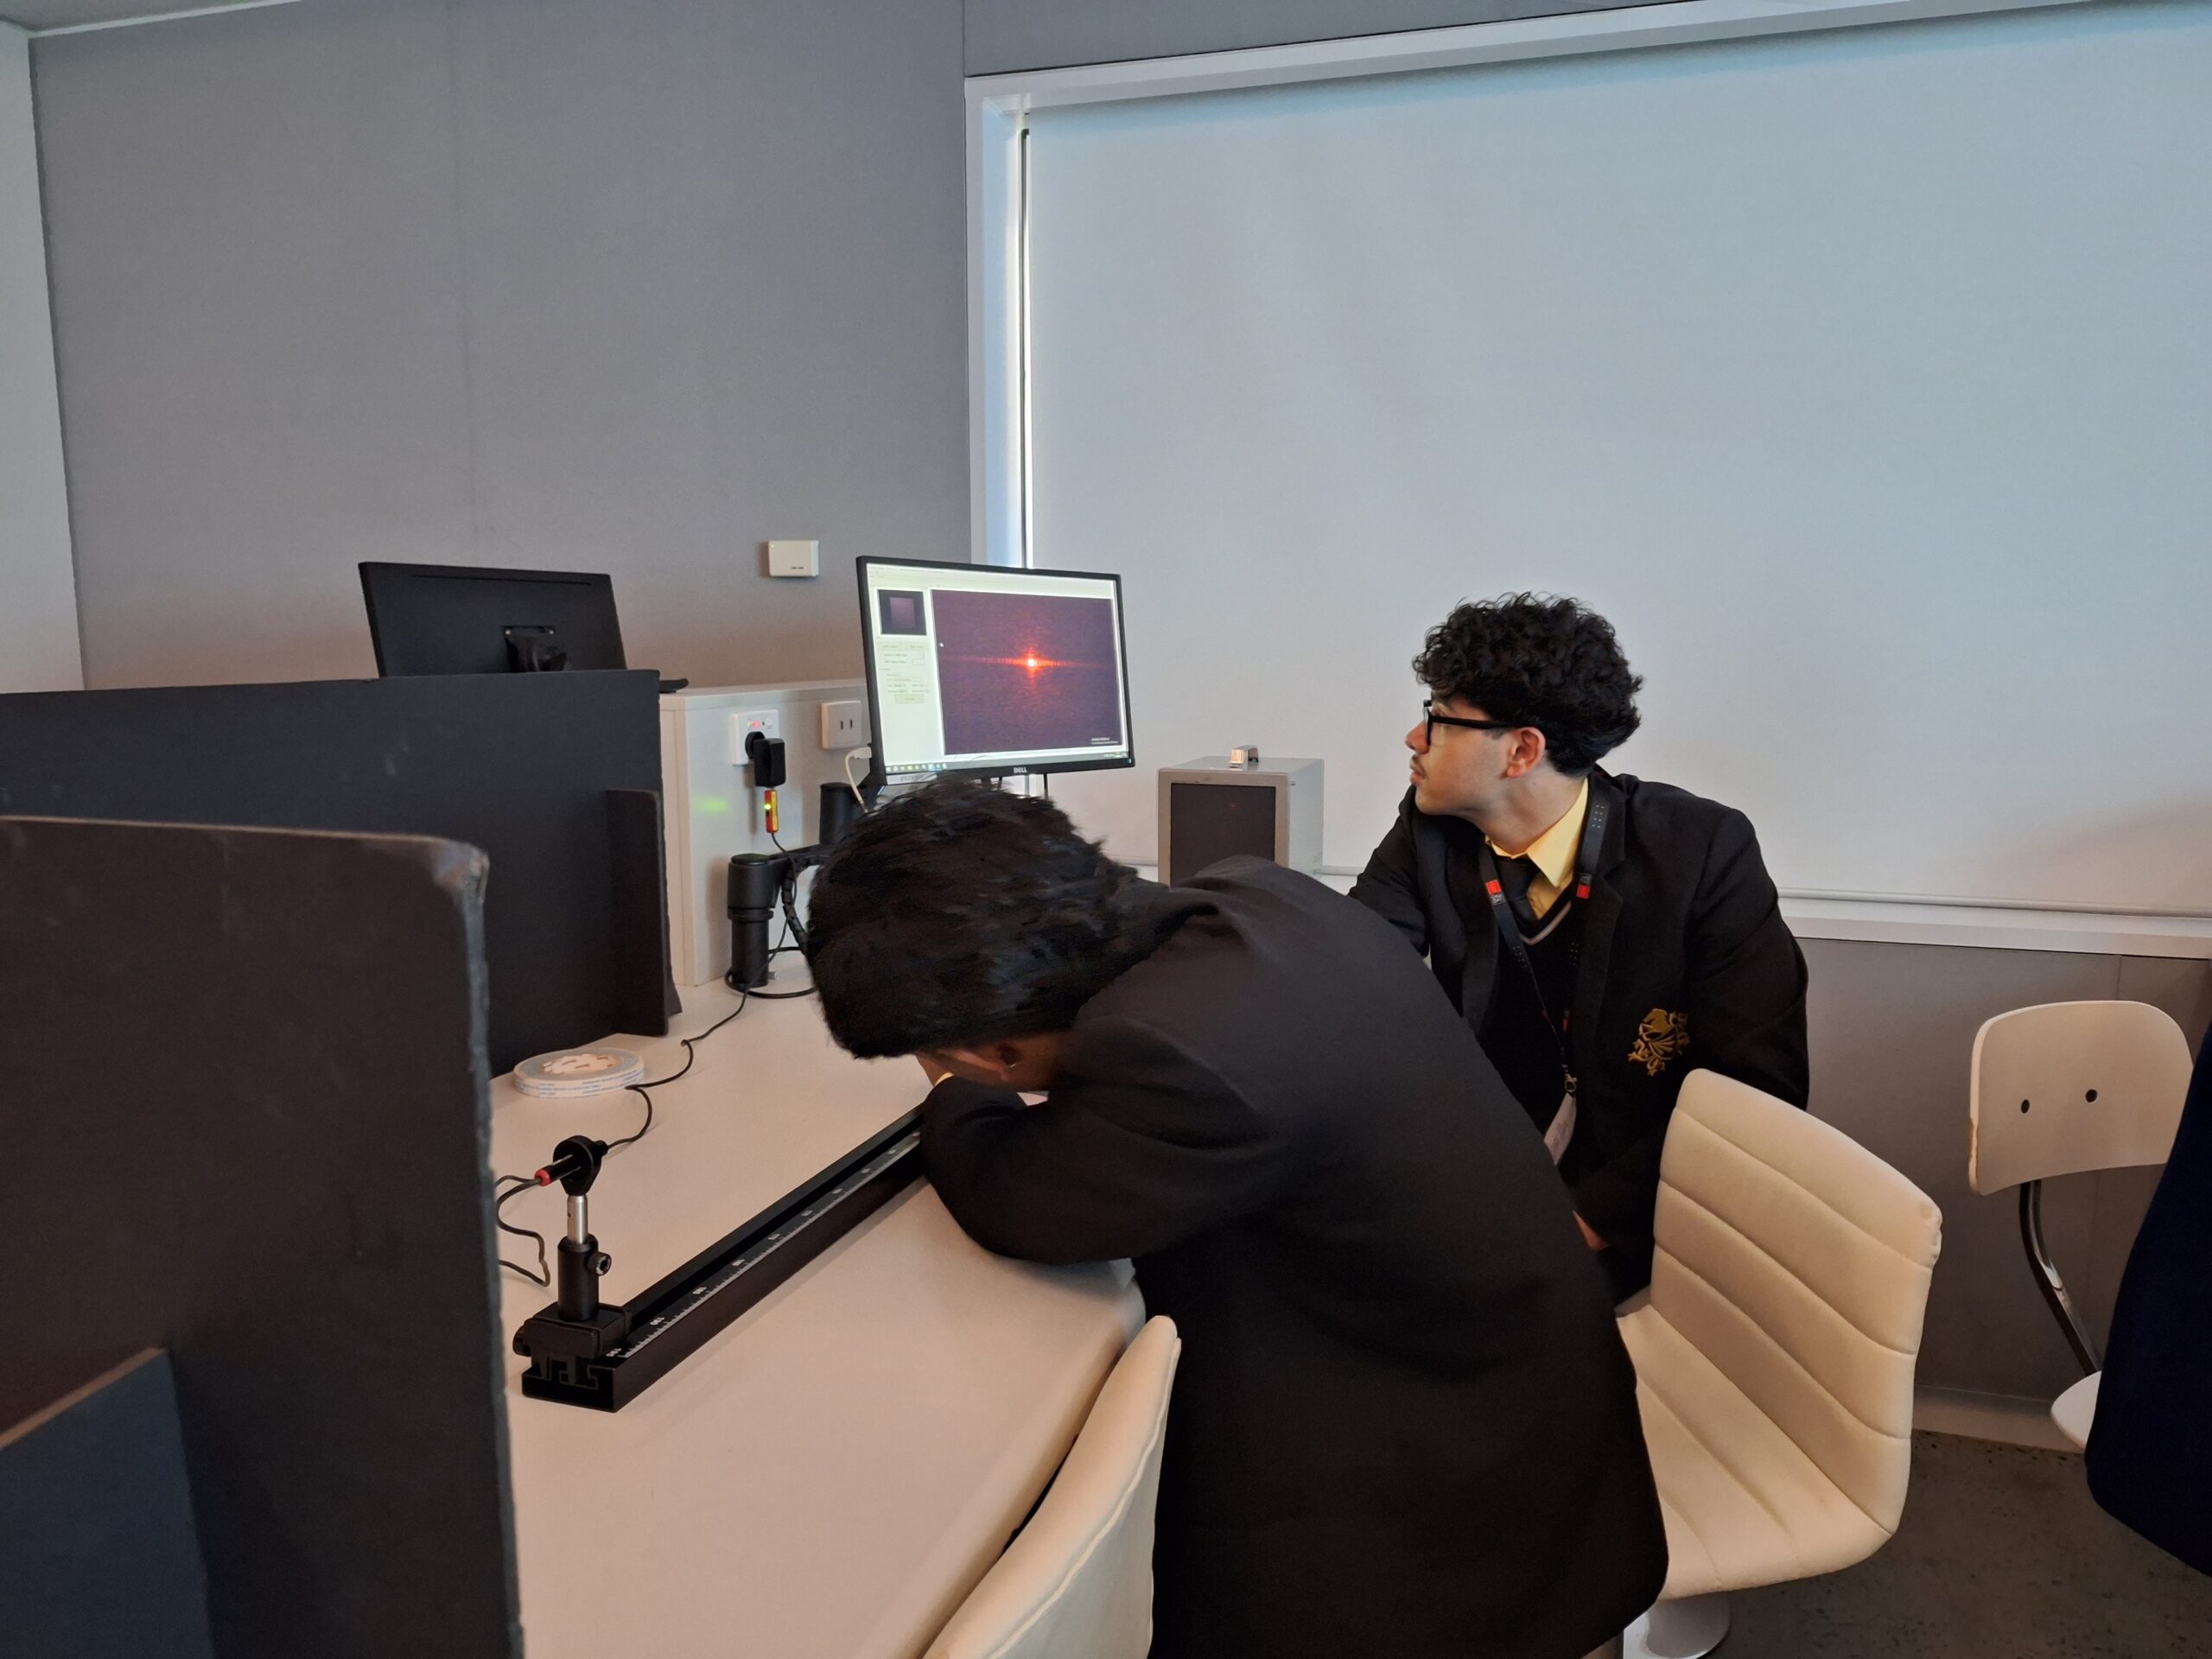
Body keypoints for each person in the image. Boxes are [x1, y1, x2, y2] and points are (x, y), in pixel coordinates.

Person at [804, 780, 1666, 1659]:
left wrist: (952, 1090)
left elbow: (1015, 1197)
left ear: (989, 1048)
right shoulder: (1255, 894)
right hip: (1505, 1354)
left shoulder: (1176, 1055)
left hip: (1467, 1481)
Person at [1352, 594, 1808, 1299]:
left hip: (1633, 1202)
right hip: (1480, 1176)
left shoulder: (1701, 852)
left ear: (1522, 750)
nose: (1415, 738)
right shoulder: (1429, 830)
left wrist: (1584, 1224)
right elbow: (1348, 966)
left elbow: (1759, 1091)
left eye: (1439, 718)